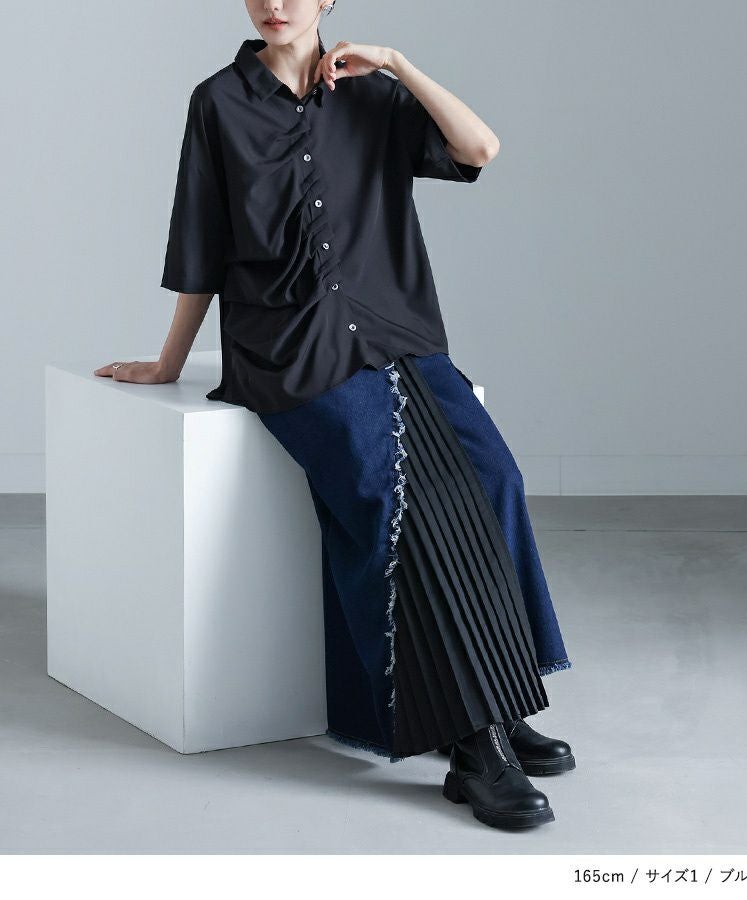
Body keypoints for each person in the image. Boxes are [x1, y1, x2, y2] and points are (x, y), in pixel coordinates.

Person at [95, 0, 575, 831]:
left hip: (396, 333)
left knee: (495, 475)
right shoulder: (218, 102)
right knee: (388, 494)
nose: (275, 5)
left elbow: (480, 149)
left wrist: (397, 63)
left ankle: (497, 697)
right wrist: (169, 363)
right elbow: (201, 240)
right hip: (288, 349)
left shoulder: (375, 94)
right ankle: (472, 743)